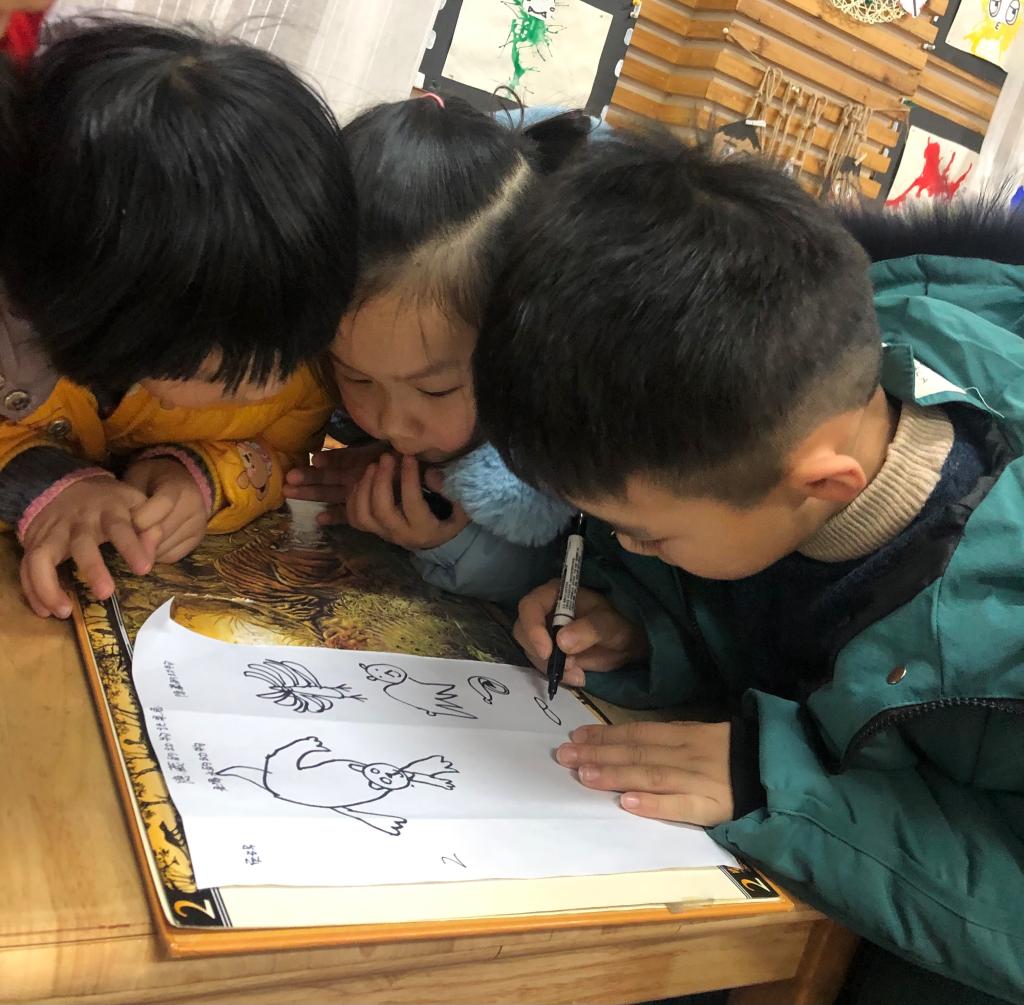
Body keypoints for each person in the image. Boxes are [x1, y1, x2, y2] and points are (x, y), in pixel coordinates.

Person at [473, 130, 1024, 1004]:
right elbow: (747, 603)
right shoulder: (761, 396)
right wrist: (640, 622)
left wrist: (781, 789)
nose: (628, 545)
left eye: (648, 535)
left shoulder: (1004, 640)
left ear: (822, 485)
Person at [0, 19, 356, 618]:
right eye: (226, 375)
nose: (275, 382)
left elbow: (289, 454)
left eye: (300, 345)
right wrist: (52, 486)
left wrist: (200, 477)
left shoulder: (292, 347)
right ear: (109, 324)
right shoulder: (19, 342)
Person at [284, 94, 589, 604]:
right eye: (356, 378)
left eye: (435, 389)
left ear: (522, 346)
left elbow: (577, 568)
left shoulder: (573, 430)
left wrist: (452, 542)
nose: (393, 424)